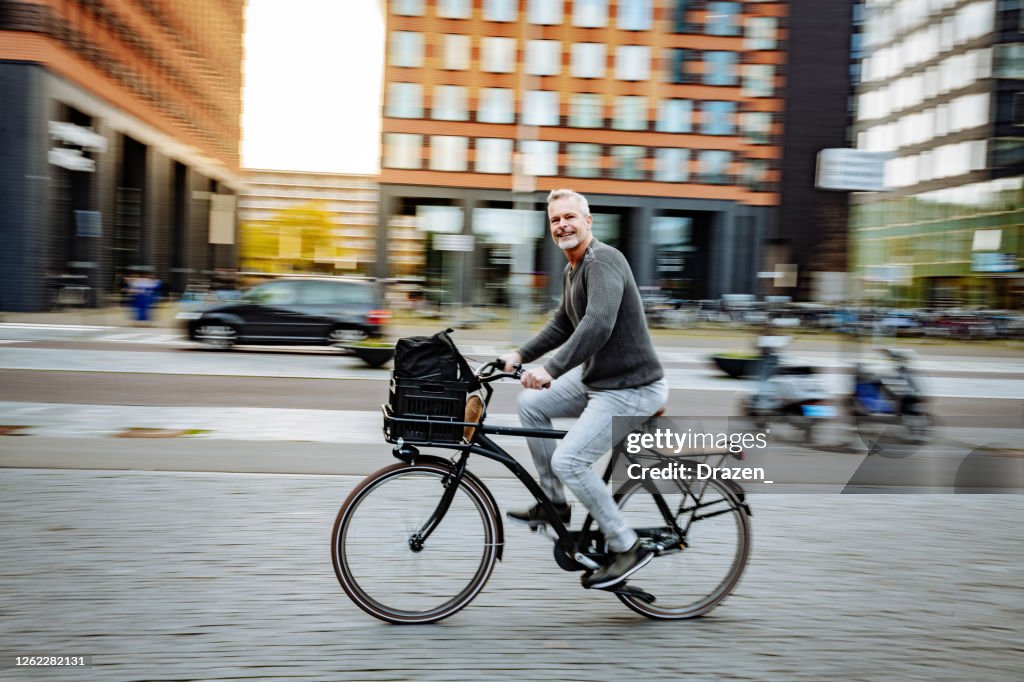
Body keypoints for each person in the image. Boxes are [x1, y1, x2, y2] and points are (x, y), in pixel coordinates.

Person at [498, 188, 668, 590]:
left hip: (632, 386)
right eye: (556, 220)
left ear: (588, 221)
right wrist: (520, 355)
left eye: (570, 217)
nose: (563, 225)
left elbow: (597, 324)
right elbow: (563, 323)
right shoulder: (573, 268)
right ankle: (554, 503)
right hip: (600, 378)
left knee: (571, 459)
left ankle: (626, 545)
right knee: (531, 404)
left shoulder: (604, 260)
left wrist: (552, 368)